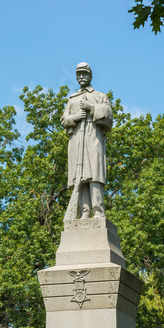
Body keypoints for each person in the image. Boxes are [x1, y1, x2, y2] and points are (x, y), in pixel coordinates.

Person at [61, 62, 113, 219]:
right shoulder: (72, 99)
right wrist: (75, 118)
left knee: (94, 173)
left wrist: (91, 107)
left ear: (91, 76)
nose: (81, 77)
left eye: (84, 74)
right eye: (79, 75)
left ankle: (98, 210)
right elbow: (64, 120)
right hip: (76, 139)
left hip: (93, 137)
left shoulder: (100, 96)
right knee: (80, 177)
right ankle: (84, 211)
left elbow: (109, 118)